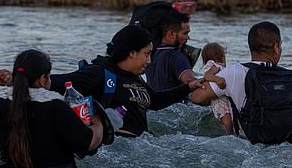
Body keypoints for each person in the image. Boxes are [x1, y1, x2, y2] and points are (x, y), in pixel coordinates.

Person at [0, 49, 105, 168]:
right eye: (49, 76)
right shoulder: (57, 108)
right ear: (43, 80)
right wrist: (99, 121)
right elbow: (88, 142)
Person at [48, 25, 202, 138]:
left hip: (143, 148)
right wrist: (30, 76)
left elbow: (155, 101)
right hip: (117, 151)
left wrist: (189, 87)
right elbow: (62, 81)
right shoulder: (100, 73)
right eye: (146, 54)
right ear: (132, 53)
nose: (149, 60)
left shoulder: (136, 77)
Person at [191, 21, 292, 143]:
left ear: (251, 47)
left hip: (248, 143)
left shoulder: (233, 72)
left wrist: (220, 95)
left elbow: (196, 98)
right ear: (276, 48)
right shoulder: (290, 76)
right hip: (288, 141)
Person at [145, 12, 198, 92]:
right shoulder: (177, 57)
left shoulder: (149, 54)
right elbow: (191, 83)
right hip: (178, 103)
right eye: (185, 33)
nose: (188, 37)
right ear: (171, 34)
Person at [200, 42, 233, 134]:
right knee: (227, 120)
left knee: (226, 119)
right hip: (219, 100)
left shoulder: (219, 67)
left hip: (221, 98)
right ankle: (230, 136)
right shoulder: (215, 65)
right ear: (220, 55)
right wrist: (217, 79)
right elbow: (207, 75)